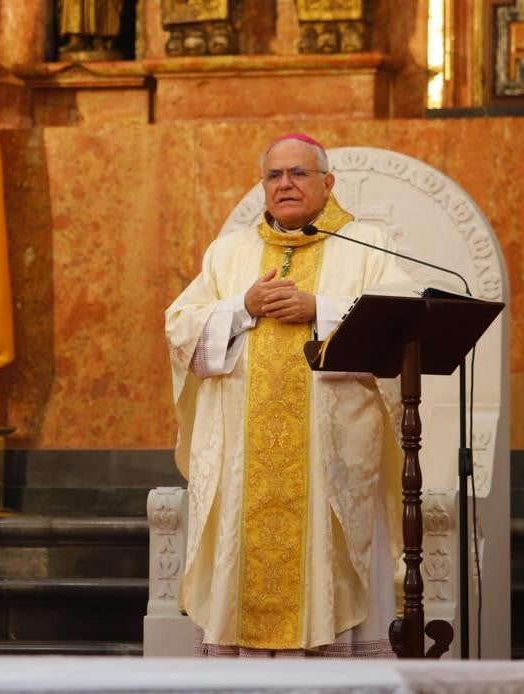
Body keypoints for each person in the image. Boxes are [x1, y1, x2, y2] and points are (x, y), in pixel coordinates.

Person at [165, 133, 413, 657]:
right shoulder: (230, 252)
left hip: (328, 463)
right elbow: (180, 328)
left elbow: (400, 319)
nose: (285, 184)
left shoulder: (365, 245)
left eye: (299, 173)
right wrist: (242, 307)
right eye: (274, 175)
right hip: (243, 465)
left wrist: (319, 309)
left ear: (328, 183)